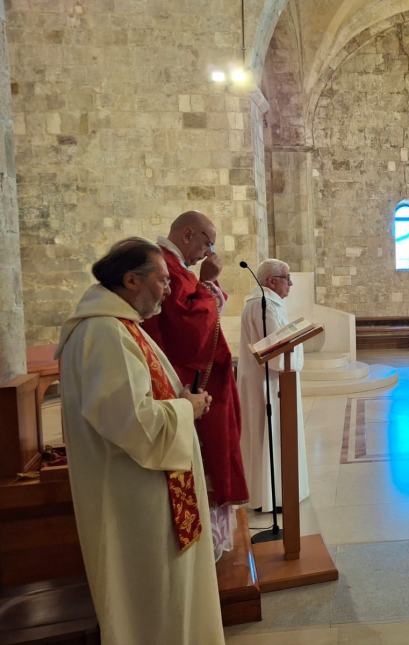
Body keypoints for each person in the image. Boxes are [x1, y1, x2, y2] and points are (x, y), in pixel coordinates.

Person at [56, 238, 224, 645]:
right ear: (131, 280)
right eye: (163, 280)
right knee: (154, 598)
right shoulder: (105, 333)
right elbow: (133, 422)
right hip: (137, 498)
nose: (169, 289)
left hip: (147, 489)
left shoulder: (119, 326)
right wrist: (188, 409)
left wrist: (179, 399)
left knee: (166, 595)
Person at [142, 211, 248, 560]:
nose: (209, 251)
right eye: (208, 241)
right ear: (188, 235)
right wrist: (208, 282)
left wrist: (204, 287)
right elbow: (190, 333)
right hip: (190, 385)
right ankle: (203, 544)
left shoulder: (173, 267)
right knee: (205, 460)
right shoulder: (168, 268)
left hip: (201, 382)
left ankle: (210, 539)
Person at [237, 259, 309, 513]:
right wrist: (297, 344)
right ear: (271, 281)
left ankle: (272, 493)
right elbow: (277, 354)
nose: (290, 283)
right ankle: (274, 495)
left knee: (267, 435)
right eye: (286, 278)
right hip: (268, 383)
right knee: (270, 434)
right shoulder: (263, 305)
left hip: (267, 381)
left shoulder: (263, 302)